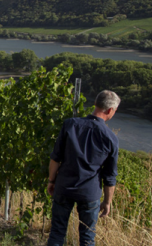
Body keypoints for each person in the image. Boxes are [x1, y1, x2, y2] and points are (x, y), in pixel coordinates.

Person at [47, 90, 120, 246]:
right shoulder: (111, 138)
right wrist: (107, 202)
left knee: (57, 232)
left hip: (64, 186)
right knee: (87, 238)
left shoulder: (70, 124)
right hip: (89, 192)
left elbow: (55, 158)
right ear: (109, 110)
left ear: (95, 104)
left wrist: (51, 181)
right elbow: (110, 176)